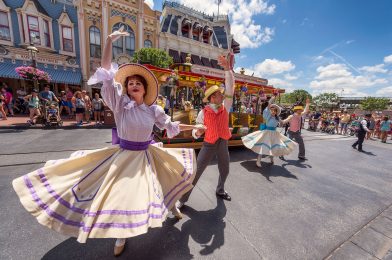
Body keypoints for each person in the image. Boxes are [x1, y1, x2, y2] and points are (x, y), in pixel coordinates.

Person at [12, 27, 202, 257]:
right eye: (130, 82)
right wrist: (109, 42)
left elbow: (171, 126)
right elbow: (105, 71)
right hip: (124, 156)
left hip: (147, 154)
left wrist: (195, 127)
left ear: (144, 89)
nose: (133, 84)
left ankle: (172, 207)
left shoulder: (154, 110)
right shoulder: (120, 105)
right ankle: (121, 234)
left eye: (137, 83)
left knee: (163, 180)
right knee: (122, 196)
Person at [178, 51, 235, 208]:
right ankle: (183, 199)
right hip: (209, 143)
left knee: (225, 169)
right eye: (218, 94)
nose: (222, 96)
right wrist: (198, 132)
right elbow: (195, 131)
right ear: (211, 98)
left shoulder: (226, 107)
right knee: (196, 172)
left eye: (221, 94)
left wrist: (228, 69)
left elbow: (231, 87)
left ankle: (220, 189)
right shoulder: (203, 112)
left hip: (223, 141)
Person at [242, 95, 297, 167]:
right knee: (263, 146)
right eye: (272, 110)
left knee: (273, 147)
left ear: (277, 112)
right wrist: (272, 99)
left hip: (274, 134)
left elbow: (283, 122)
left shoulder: (277, 118)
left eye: (275, 110)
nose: (273, 111)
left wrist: (289, 118)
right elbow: (268, 106)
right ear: (270, 110)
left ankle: (271, 158)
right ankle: (258, 161)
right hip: (267, 133)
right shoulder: (268, 116)